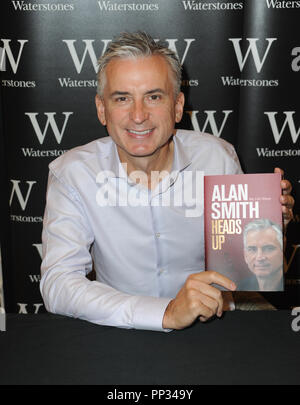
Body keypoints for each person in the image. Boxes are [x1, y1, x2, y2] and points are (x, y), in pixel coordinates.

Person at [40, 32, 294, 331]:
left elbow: (245, 269)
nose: (138, 116)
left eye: (154, 97)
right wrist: (167, 312)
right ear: (101, 109)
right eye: (122, 98)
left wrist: (270, 229)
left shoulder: (218, 157)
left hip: (216, 322)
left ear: (177, 106)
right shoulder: (72, 173)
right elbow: (58, 283)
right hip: (118, 326)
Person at [240, 219, 284, 291]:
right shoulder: (241, 287)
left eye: (269, 248)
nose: (259, 257)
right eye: (252, 249)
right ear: (245, 256)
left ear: (282, 252)